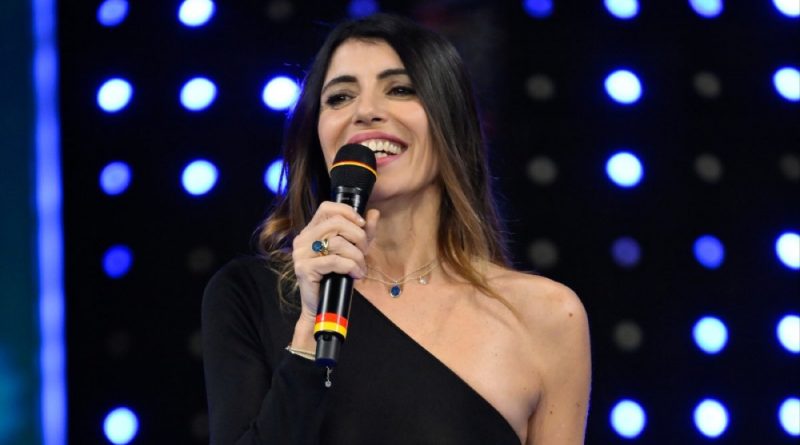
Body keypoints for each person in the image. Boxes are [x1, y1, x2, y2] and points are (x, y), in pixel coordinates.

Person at [202, 13, 591, 445]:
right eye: (340, 97)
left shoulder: (545, 317)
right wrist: (311, 326)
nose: (366, 111)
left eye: (400, 89)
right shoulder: (248, 296)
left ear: (450, 121)